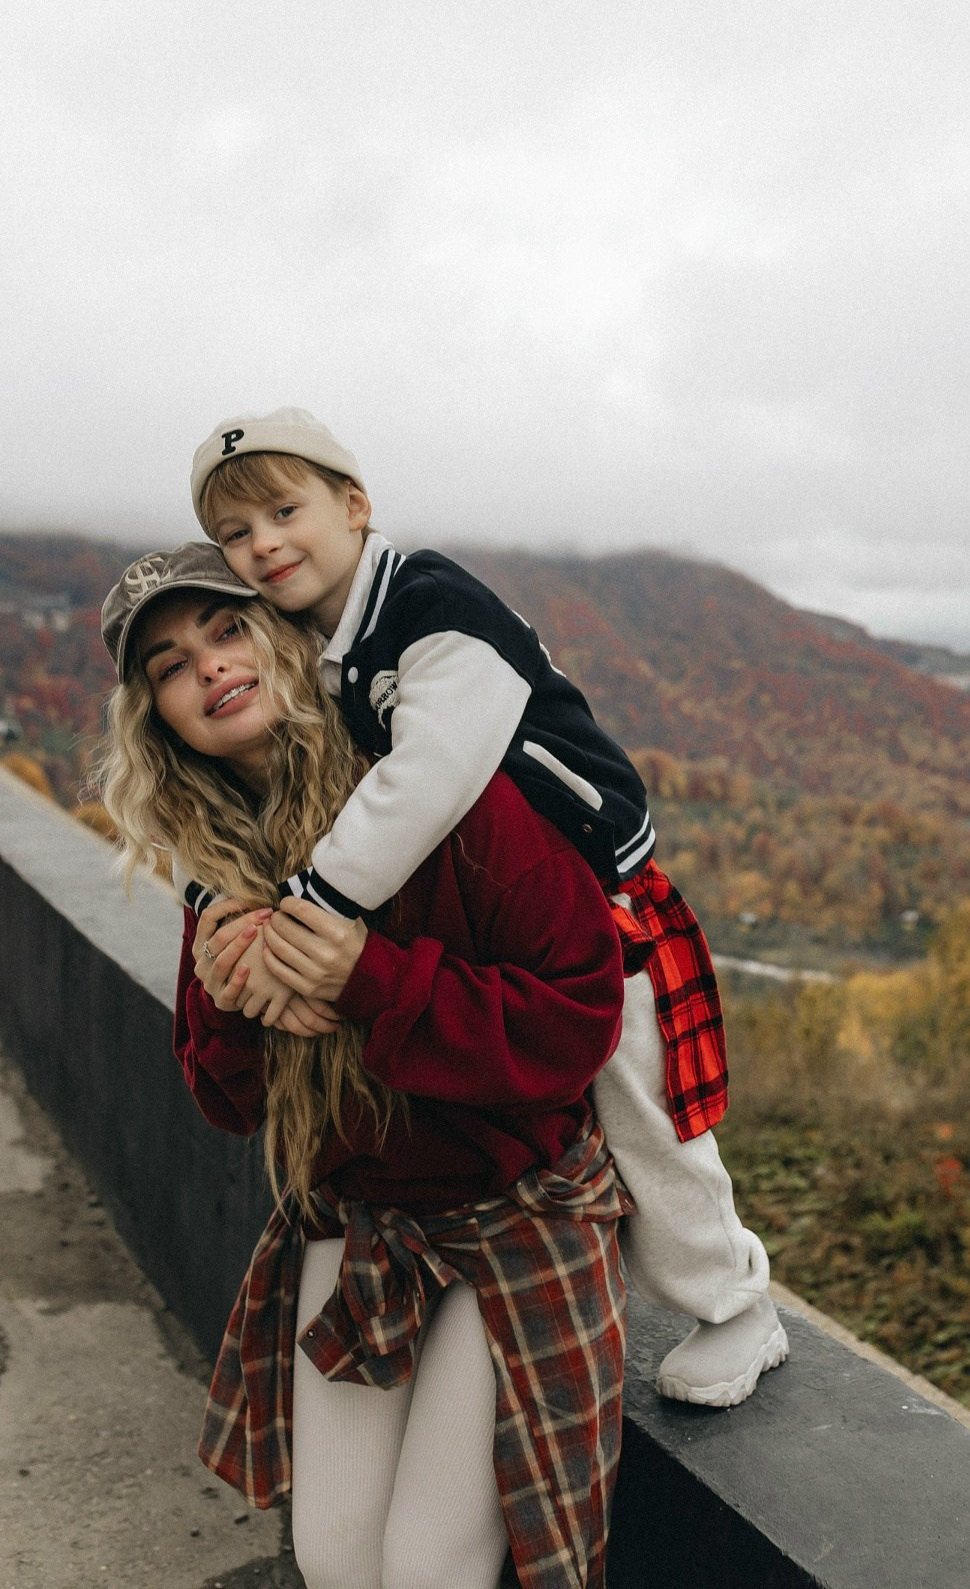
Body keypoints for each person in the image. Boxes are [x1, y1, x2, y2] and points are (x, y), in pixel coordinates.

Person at [185, 406, 788, 1410]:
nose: (263, 546)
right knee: (540, 1106)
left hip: (591, 890)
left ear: (354, 505)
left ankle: (735, 1306)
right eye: (236, 534)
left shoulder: (431, 606)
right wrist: (221, 903)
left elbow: (430, 774)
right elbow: (256, 780)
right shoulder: (307, 639)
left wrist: (299, 917)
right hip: (475, 908)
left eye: (284, 511)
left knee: (640, 1108)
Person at [96, 543, 631, 1589]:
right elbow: (226, 1102)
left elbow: (578, 1016)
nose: (205, 667)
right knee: (335, 1559)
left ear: (287, 643)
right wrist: (228, 1002)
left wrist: (369, 979)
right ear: (154, 713)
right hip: (361, 1215)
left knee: (429, 1569)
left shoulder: (433, 792)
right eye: (167, 664)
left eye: (227, 628)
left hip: (512, 1209)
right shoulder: (220, 856)